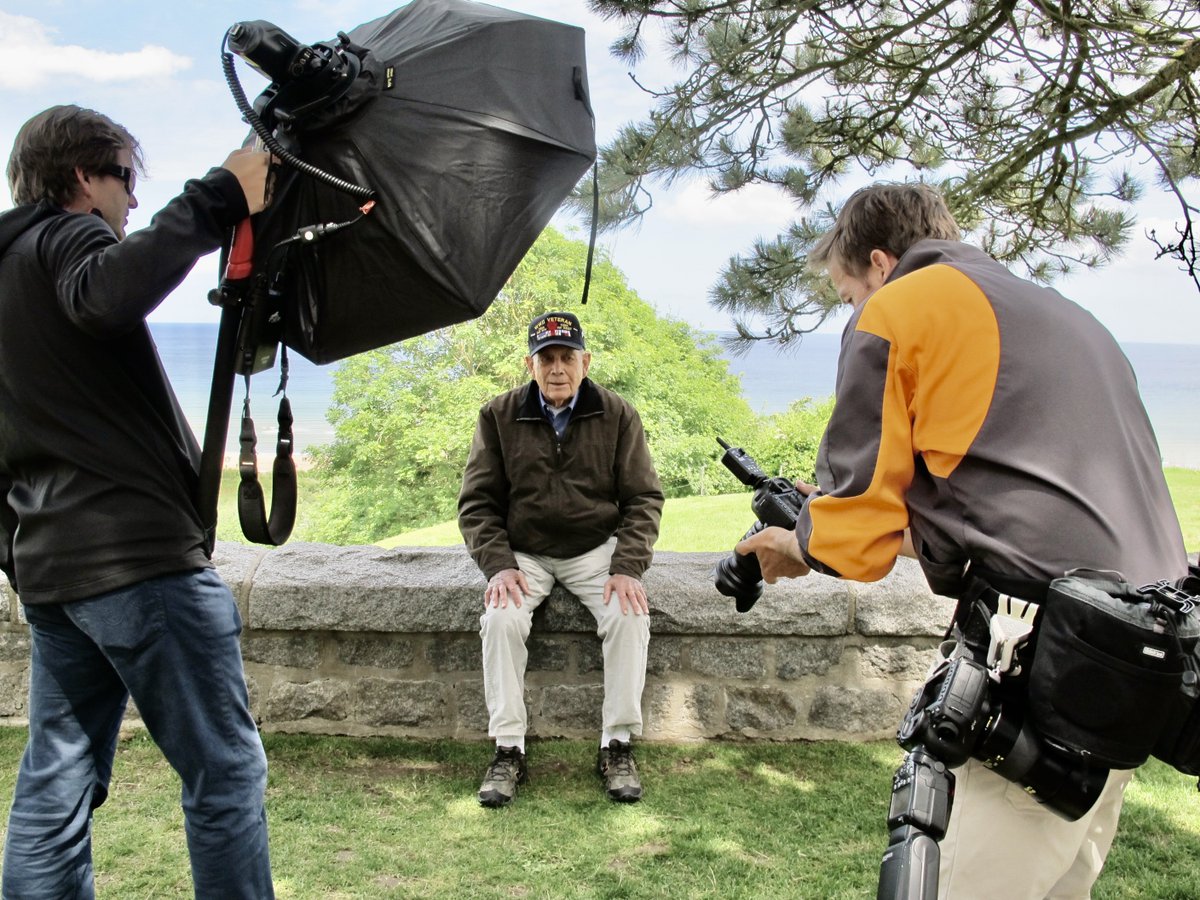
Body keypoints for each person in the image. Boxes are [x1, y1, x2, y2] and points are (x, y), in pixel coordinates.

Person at [737, 183, 1188, 898]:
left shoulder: (899, 309)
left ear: (879, 264)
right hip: (1137, 660)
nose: (855, 313)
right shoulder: (1066, 314)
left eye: (849, 296)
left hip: (1040, 669)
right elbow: (1006, 513)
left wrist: (796, 543)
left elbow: (857, 536)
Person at [0, 105, 275, 898]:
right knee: (224, 769)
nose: (132, 200)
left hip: (54, 575)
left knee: (57, 781)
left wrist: (21, 559)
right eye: (125, 178)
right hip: (138, 565)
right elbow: (106, 294)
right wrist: (219, 196)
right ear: (82, 177)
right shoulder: (67, 238)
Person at [458, 310, 664, 807]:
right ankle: (509, 749)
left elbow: (643, 499)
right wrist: (499, 565)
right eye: (546, 358)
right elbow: (477, 503)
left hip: (594, 551)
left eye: (566, 358)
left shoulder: (618, 414)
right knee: (500, 619)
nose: (556, 369)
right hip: (523, 555)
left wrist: (627, 567)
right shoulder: (498, 415)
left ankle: (617, 744)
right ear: (529, 364)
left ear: (584, 362)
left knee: (629, 615)